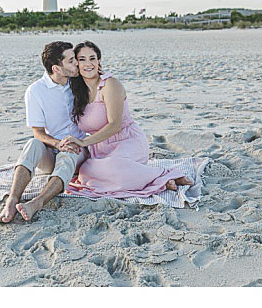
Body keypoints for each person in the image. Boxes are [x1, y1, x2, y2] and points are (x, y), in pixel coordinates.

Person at [62, 41, 192, 197]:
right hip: (101, 150)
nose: (88, 64)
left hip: (128, 141)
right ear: (76, 64)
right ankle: (151, 177)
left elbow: (115, 125)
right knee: (86, 170)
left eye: (92, 58)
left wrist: (83, 143)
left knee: (111, 169)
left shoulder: (110, 85)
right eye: (82, 59)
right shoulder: (77, 92)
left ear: (99, 62)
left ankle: (161, 174)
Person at [0, 41, 89, 224]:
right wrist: (57, 144)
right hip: (52, 152)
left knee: (68, 154)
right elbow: (38, 133)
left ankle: (37, 203)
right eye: (71, 61)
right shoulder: (36, 91)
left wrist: (69, 145)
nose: (77, 63)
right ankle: (12, 200)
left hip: (78, 152)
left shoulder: (79, 83)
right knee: (32, 143)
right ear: (57, 68)